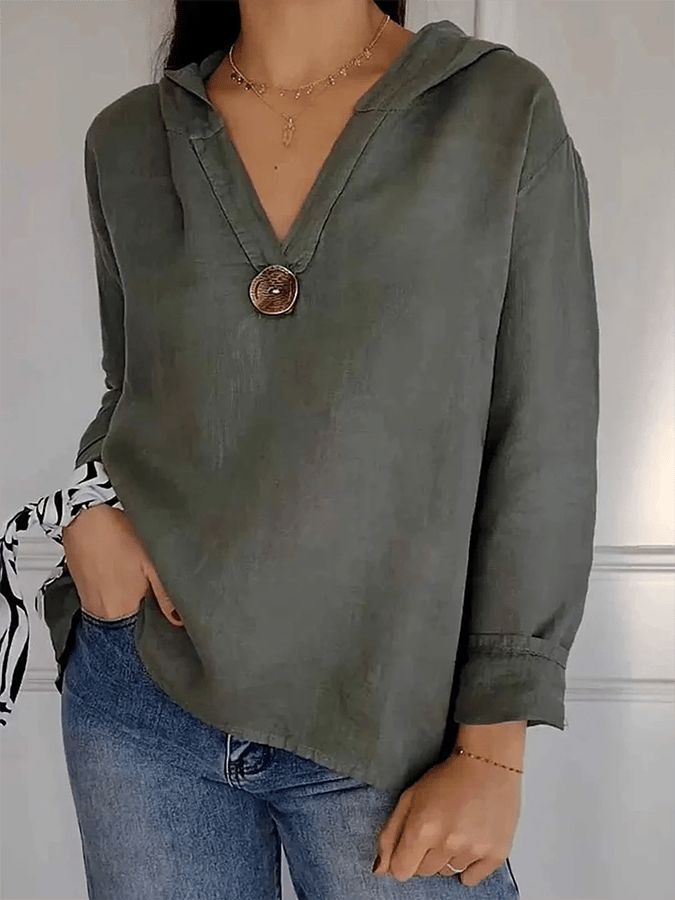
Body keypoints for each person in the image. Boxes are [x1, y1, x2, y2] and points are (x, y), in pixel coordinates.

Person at [0, 0, 599, 897]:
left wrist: (491, 750)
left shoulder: (495, 110)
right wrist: (90, 518)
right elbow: (132, 389)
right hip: (143, 699)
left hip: (389, 725)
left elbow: (542, 429)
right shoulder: (128, 140)